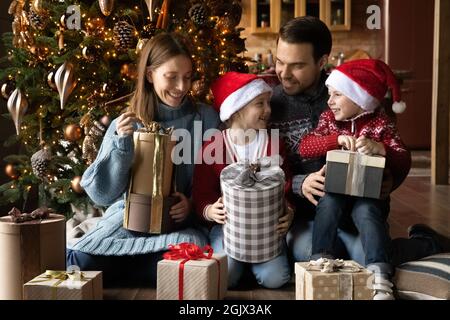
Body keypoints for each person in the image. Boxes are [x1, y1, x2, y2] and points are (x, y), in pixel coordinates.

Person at [270, 16, 449, 268]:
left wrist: (389, 177)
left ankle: (426, 242)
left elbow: (394, 150)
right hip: (305, 215)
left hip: (357, 209)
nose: (284, 74)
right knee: (307, 252)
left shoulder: (353, 94)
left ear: (322, 62)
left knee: (368, 258)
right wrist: (300, 183)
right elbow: (264, 164)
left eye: (297, 65)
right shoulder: (269, 103)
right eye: (280, 62)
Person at [66, 32, 220, 287]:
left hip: (179, 229)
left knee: (191, 264)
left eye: (187, 77)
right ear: (150, 75)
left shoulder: (207, 119)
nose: (181, 87)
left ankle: (122, 272)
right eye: (171, 77)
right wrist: (120, 145)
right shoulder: (126, 123)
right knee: (82, 262)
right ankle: (137, 270)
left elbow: (220, 183)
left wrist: (191, 205)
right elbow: (102, 195)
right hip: (127, 224)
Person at [299, 59, 410, 299]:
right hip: (336, 195)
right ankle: (320, 260)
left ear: (360, 98)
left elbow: (403, 157)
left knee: (366, 211)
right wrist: (334, 140)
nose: (329, 101)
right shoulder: (329, 120)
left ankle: (381, 276)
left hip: (367, 197)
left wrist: (381, 149)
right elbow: (305, 148)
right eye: (329, 94)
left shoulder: (381, 125)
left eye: (337, 94)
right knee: (329, 201)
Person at [192, 72, 294, 289]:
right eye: (260, 104)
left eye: (268, 103)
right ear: (237, 109)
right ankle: (240, 267)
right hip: (229, 228)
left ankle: (254, 267)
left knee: (276, 278)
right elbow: (201, 193)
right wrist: (209, 210)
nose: (268, 110)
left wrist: (289, 210)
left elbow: (286, 185)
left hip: (266, 230)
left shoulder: (273, 143)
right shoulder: (214, 146)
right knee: (224, 276)